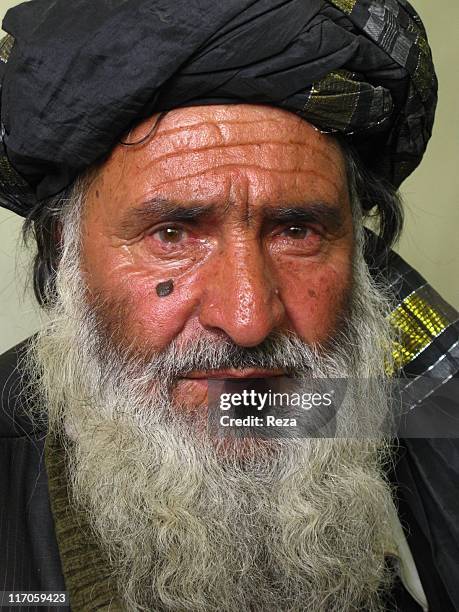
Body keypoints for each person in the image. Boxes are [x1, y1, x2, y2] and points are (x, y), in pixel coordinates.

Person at [0, 1, 458, 611]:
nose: (248, 319)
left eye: (296, 231)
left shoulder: (385, 412)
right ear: (66, 255)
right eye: (172, 234)